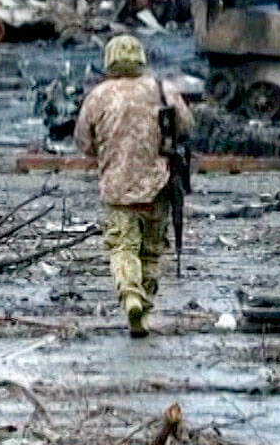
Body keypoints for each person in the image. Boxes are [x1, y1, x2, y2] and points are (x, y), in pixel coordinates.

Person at [74, 35, 193, 338]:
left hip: (117, 186)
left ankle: (130, 295)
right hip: (159, 184)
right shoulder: (161, 89)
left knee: (123, 246)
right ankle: (146, 308)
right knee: (152, 251)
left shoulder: (98, 96)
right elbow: (186, 127)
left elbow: (84, 143)